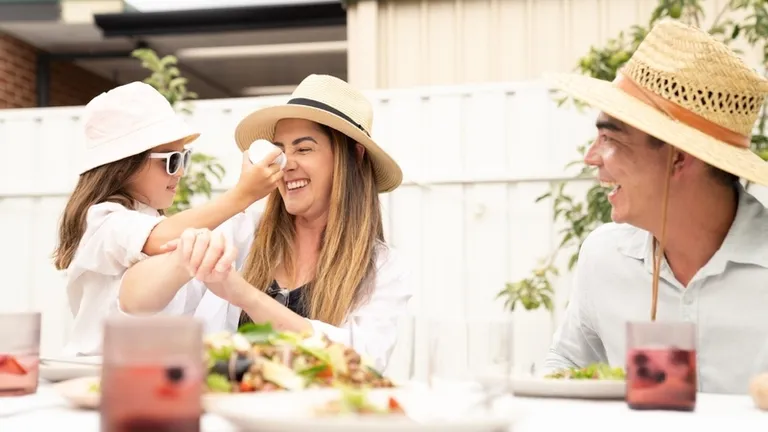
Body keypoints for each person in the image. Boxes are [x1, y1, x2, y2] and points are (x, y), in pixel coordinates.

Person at [119, 74, 412, 370]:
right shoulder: (242, 232)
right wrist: (185, 259)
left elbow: (362, 362)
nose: (287, 163)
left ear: (354, 156)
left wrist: (244, 295)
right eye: (280, 150)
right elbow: (133, 302)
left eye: (304, 149)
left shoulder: (382, 267)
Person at [542, 19, 768, 394]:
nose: (590, 157)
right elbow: (566, 366)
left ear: (678, 159)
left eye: (609, 138)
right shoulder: (604, 257)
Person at [54, 81, 284, 356]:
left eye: (184, 158)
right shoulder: (103, 220)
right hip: (95, 371)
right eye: (172, 160)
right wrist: (241, 196)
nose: (181, 172)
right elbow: (156, 238)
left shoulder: (148, 219)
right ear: (124, 166)